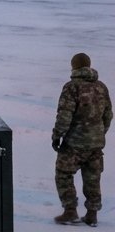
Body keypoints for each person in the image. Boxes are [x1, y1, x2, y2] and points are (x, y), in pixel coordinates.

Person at [53, 52, 112, 226]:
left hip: (74, 144)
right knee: (92, 178)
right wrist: (99, 133)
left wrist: (57, 135)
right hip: (96, 144)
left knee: (63, 174)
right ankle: (92, 214)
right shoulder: (101, 87)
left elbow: (64, 115)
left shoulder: (72, 87)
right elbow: (108, 115)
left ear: (74, 66)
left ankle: (70, 211)